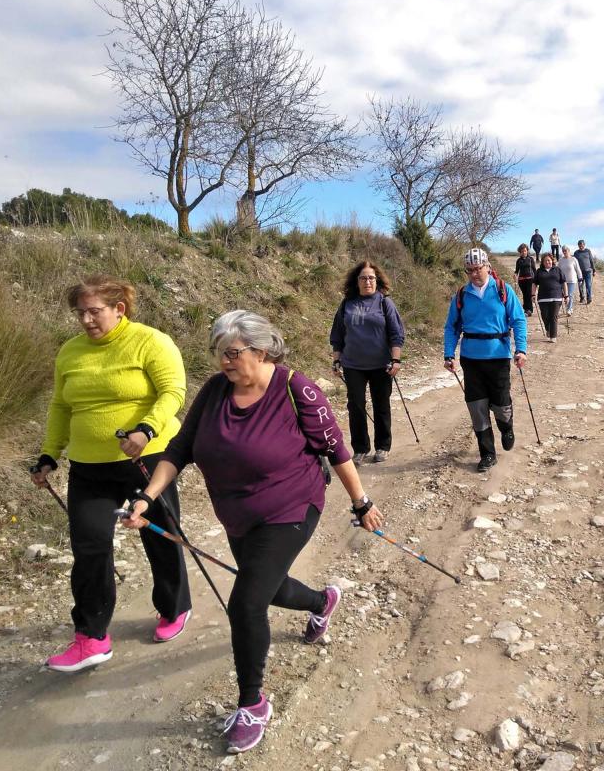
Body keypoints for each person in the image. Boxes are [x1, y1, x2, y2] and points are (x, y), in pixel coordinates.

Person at [122, 310, 383, 754]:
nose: (224, 361)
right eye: (219, 353)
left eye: (233, 353)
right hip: (236, 514)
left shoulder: (295, 387)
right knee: (268, 587)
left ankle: (252, 702)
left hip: (292, 506)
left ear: (261, 351)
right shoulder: (215, 391)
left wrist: (361, 502)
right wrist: (147, 496)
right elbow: (180, 449)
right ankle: (322, 601)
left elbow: (336, 447)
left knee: (245, 600)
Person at [31, 274, 191, 673]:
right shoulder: (70, 352)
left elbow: (173, 391)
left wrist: (147, 429)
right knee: (89, 547)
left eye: (94, 311)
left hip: (148, 458)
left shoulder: (150, 341)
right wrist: (50, 453)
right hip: (88, 467)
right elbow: (60, 406)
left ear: (119, 308)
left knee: (160, 538)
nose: (86, 320)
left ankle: (174, 606)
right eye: (79, 312)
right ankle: (91, 636)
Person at [443, 247, 528, 472]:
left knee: (501, 404)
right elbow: (451, 327)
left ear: (488, 267)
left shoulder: (503, 290)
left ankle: (506, 426)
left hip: (498, 356)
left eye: (478, 268)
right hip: (471, 359)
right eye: (469, 270)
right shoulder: (461, 295)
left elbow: (518, 320)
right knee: (477, 407)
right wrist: (449, 354)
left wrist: (521, 349)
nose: (474, 274)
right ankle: (487, 454)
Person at [329, 261, 405, 465]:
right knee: (356, 407)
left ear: (377, 280)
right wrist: (336, 360)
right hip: (353, 364)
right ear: (357, 281)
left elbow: (396, 334)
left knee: (381, 405)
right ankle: (360, 449)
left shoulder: (384, 302)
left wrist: (395, 359)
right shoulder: (347, 303)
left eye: (371, 278)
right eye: (363, 278)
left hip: (381, 364)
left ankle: (382, 446)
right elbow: (337, 334)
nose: (367, 281)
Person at [532, 253, 567, 343]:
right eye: (546, 260)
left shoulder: (557, 270)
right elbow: (534, 284)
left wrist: (566, 295)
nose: (548, 262)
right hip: (543, 298)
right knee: (545, 316)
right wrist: (533, 294)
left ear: (552, 261)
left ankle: (553, 336)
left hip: (556, 297)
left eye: (549, 260)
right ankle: (548, 329)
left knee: (553, 317)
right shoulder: (539, 271)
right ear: (543, 262)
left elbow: (563, 282)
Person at [558, 246, 583, 316]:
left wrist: (580, 277)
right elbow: (558, 270)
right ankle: (568, 307)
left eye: (566, 250)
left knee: (570, 295)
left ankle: (569, 309)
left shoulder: (573, 259)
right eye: (563, 251)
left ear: (569, 251)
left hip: (572, 280)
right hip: (563, 281)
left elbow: (578, 269)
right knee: (565, 295)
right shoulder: (561, 260)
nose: (564, 252)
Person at [513, 243, 536, 316]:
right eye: (522, 251)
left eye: (525, 251)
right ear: (520, 252)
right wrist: (515, 275)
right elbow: (517, 271)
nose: (524, 252)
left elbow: (534, 270)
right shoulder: (518, 260)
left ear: (527, 251)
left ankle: (530, 310)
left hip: (530, 280)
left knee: (529, 295)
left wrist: (536, 280)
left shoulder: (530, 259)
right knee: (524, 295)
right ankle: (525, 309)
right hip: (521, 280)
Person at [573, 239, 596, 304]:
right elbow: (574, 262)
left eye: (582, 245)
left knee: (588, 285)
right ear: (578, 246)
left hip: (588, 271)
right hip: (579, 272)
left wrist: (594, 270)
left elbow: (591, 260)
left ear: (584, 245)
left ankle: (589, 298)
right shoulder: (576, 253)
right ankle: (582, 297)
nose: (581, 246)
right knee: (580, 285)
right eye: (580, 245)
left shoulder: (588, 251)